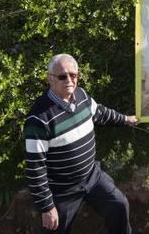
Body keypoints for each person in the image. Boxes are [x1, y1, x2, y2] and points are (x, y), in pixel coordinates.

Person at [24, 54, 138, 233]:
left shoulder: (81, 95)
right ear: (50, 79)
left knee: (119, 206)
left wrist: (125, 119)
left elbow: (99, 113)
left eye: (73, 75)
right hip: (62, 190)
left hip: (92, 176)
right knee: (55, 230)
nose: (69, 80)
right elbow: (35, 168)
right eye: (62, 76)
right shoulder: (38, 119)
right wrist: (47, 207)